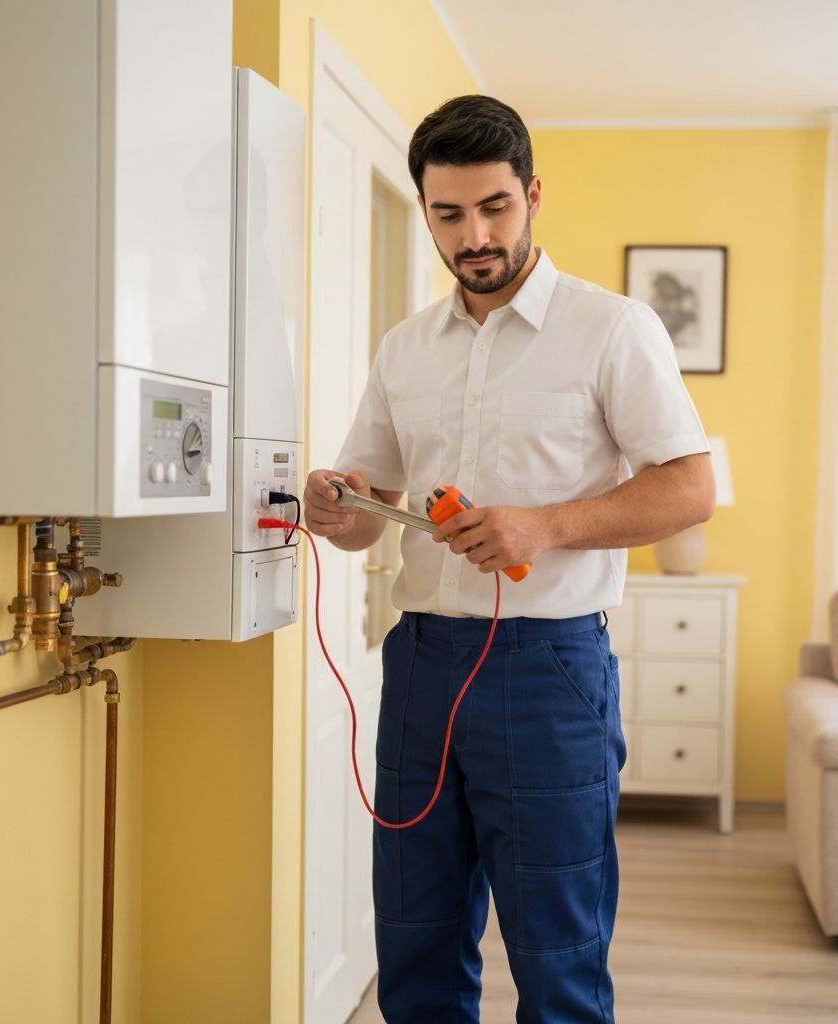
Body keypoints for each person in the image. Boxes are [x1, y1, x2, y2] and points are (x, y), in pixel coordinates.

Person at [303, 94, 714, 1024]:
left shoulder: (613, 329)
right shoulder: (404, 349)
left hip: (549, 670)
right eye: (448, 213)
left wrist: (545, 527)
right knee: (413, 941)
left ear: (532, 194)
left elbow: (690, 488)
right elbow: (373, 514)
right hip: (419, 668)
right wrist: (341, 506)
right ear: (426, 212)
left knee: (556, 957)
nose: (474, 234)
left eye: (494, 206)